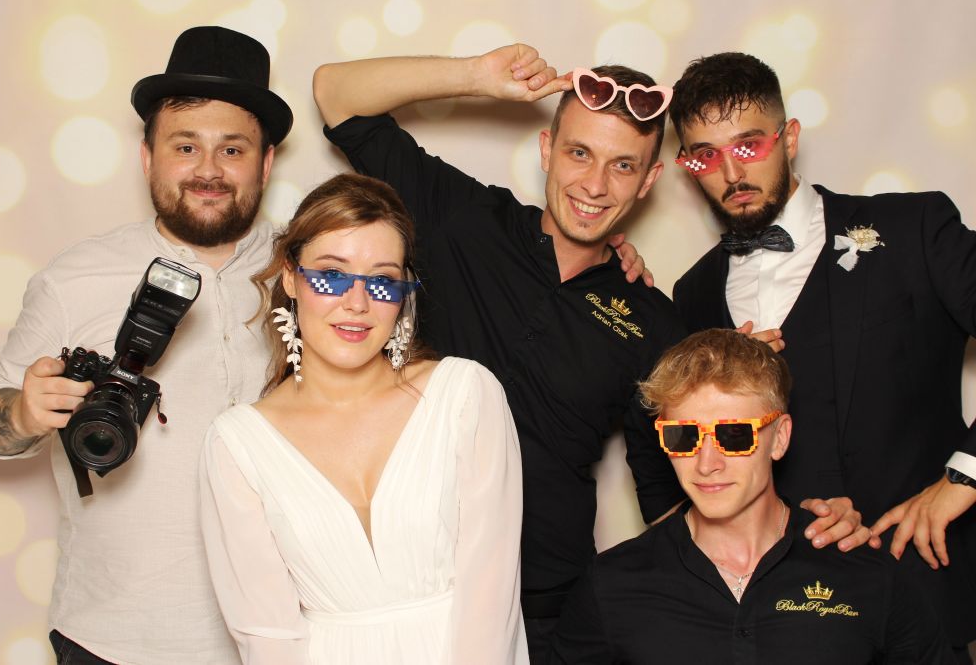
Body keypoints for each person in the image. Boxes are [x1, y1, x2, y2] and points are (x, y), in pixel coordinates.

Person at [312, 44, 867, 662]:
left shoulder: (654, 320)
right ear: (547, 150)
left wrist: (802, 534)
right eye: (579, 153)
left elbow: (674, 496)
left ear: (649, 180)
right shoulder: (464, 218)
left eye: (623, 165)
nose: (595, 186)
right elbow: (336, 94)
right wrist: (476, 77)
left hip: (545, 609)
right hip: (402, 586)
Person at [0, 26, 290, 664]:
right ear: (147, 157)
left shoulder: (313, 273)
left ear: (266, 162)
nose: (208, 171)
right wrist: (25, 412)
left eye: (232, 149)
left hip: (278, 638)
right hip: (111, 639)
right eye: (185, 146)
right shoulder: (74, 278)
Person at [668, 52, 976, 659]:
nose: (731, 171)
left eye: (749, 145)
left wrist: (962, 478)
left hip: (923, 589)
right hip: (778, 618)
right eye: (705, 155)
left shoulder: (913, 227)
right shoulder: (693, 293)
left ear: (789, 139)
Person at [199, 172, 527, 664]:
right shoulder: (238, 444)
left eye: (382, 281)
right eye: (331, 275)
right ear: (290, 277)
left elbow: (492, 595)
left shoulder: (464, 396)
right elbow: (267, 637)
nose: (357, 303)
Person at [551, 329, 955, 664]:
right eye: (683, 436)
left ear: (779, 438)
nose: (707, 464)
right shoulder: (612, 586)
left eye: (734, 435)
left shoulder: (865, 575)